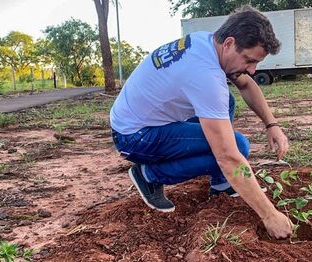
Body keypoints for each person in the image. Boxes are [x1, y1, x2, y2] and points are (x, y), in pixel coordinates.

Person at [110, 5, 292, 239]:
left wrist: (271, 124)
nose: (252, 69)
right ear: (229, 43)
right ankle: (149, 175)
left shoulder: (205, 42)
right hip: (135, 137)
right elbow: (228, 157)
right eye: (249, 60)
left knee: (225, 102)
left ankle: (221, 185)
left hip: (137, 119)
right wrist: (270, 215)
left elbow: (246, 83)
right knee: (237, 148)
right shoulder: (205, 75)